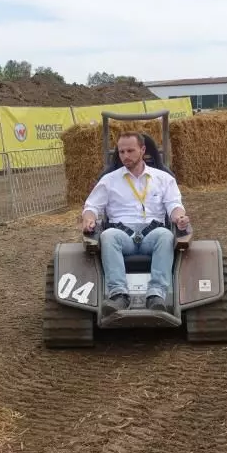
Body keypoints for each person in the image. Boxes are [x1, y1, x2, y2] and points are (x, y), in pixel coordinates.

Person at [81, 131, 190, 316]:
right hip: (122, 235)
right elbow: (91, 206)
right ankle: (119, 296)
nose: (125, 156)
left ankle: (156, 296)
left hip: (153, 234)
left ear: (143, 150)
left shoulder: (163, 179)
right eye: (121, 152)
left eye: (130, 151)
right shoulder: (108, 180)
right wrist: (89, 219)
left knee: (166, 235)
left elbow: (174, 205)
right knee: (108, 236)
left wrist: (180, 218)